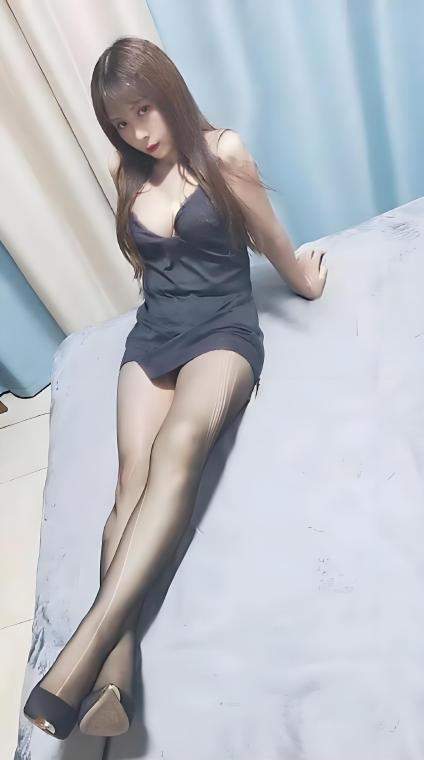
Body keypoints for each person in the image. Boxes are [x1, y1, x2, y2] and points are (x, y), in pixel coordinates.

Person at [23, 36, 328, 741]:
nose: (139, 132)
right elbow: (151, 267)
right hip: (156, 331)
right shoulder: (125, 169)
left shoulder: (224, 153)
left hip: (224, 328)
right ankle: (115, 682)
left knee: (180, 444)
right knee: (129, 481)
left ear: (170, 92)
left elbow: (269, 237)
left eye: (145, 110)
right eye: (121, 122)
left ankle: (80, 654)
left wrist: (305, 282)